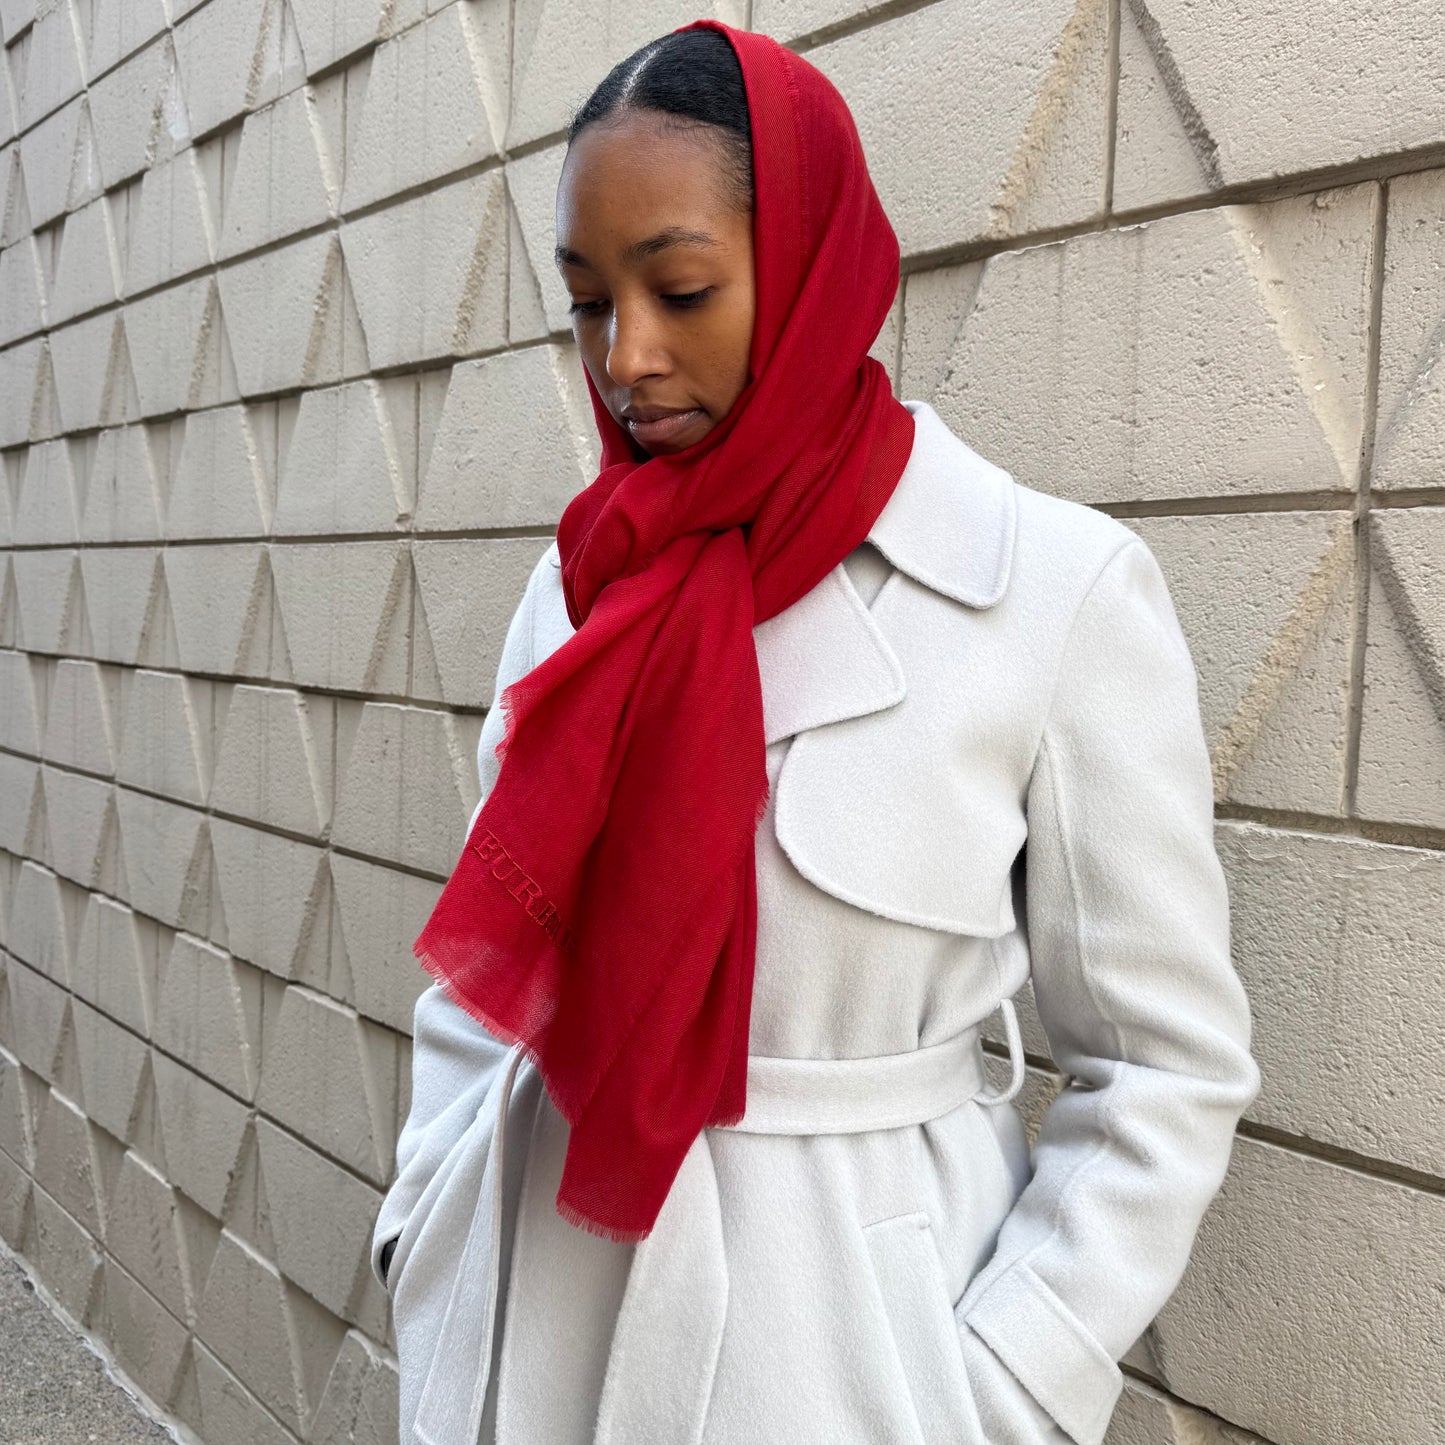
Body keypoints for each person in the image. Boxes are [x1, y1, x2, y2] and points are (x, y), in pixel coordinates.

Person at [371, 19, 1260, 1445]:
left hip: (841, 1362)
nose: (627, 357)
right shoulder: (581, 579)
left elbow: (1164, 1061)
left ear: (807, 265)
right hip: (524, 1321)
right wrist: (425, 1220)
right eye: (589, 302)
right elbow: (489, 967)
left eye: (680, 288)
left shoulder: (1046, 590)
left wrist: (1005, 1377)